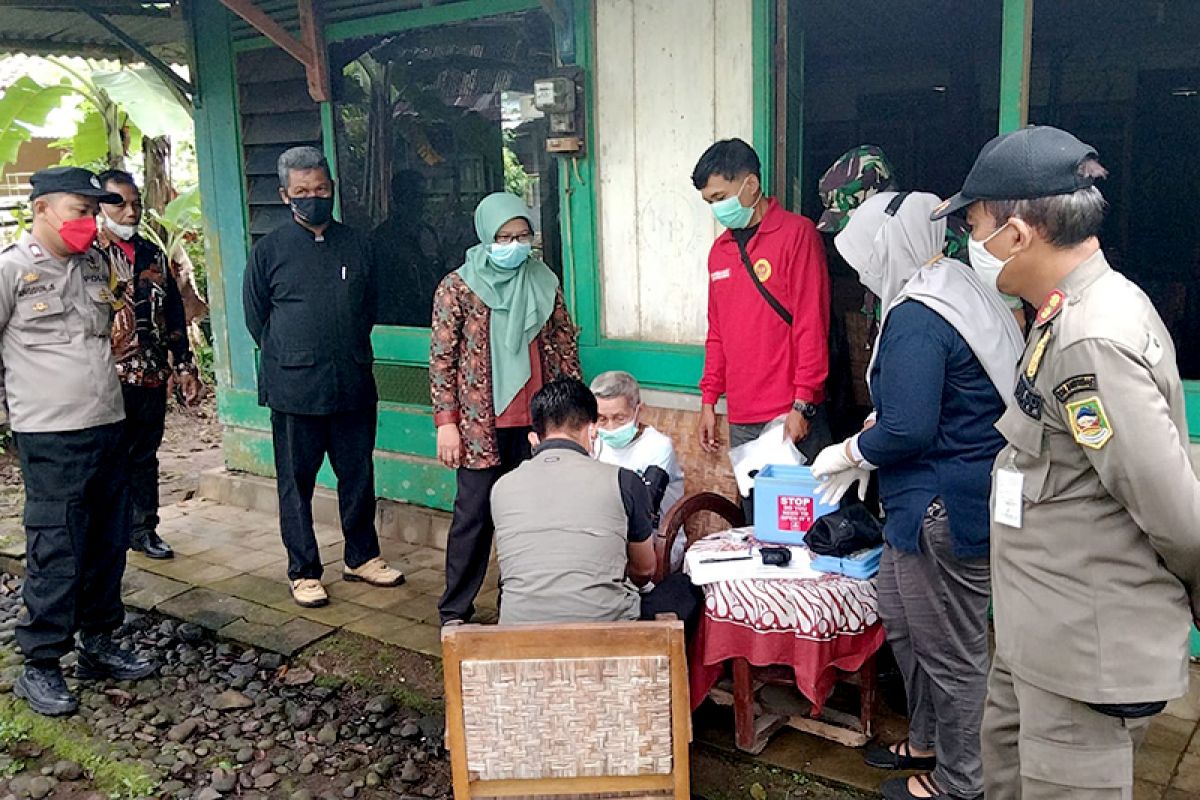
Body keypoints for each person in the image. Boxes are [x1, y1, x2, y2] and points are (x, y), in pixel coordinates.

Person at [931, 126, 1200, 800]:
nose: (971, 241)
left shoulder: (1090, 339)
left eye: (975, 224)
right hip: (1040, 635)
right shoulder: (1060, 315)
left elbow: (1175, 513)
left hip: (1084, 650)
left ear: (1018, 234)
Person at [812, 191, 1023, 800]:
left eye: (860, 256)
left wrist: (849, 452)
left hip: (944, 508)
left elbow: (907, 426)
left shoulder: (917, 317)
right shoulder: (944, 283)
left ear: (887, 247)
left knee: (953, 653)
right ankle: (927, 737)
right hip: (922, 503)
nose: (857, 271)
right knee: (904, 624)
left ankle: (963, 782)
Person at [2, 166, 157, 716]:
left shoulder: (95, 266)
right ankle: (40, 664)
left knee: (107, 541)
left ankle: (100, 642)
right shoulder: (12, 271)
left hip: (106, 424)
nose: (89, 221)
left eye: (94, 212)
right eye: (79, 210)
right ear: (41, 208)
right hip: (49, 434)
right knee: (57, 545)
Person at [243, 146, 404, 609]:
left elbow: (368, 305)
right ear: (284, 195)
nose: (312, 198)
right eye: (302, 192)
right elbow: (258, 318)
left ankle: (362, 556)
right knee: (297, 483)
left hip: (351, 380)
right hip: (294, 387)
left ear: (331, 189)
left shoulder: (357, 244)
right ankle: (303, 569)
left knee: (358, 474)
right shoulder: (269, 250)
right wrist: (294, 351)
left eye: (320, 189)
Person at [430, 192, 580, 626]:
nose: (514, 245)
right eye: (503, 237)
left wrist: (573, 420)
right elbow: (441, 359)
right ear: (485, 236)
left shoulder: (544, 280)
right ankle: (455, 610)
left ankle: (518, 607)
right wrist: (447, 424)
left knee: (533, 517)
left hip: (539, 422)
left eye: (521, 235)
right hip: (480, 424)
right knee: (473, 518)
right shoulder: (457, 287)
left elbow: (565, 348)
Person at [692, 139, 832, 512]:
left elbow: (810, 323)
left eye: (720, 196)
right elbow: (717, 332)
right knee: (758, 519)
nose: (716, 208)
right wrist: (709, 400)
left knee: (802, 520)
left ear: (750, 184)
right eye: (709, 202)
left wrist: (803, 403)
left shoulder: (796, 234)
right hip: (742, 414)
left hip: (790, 413)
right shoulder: (719, 252)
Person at [491, 378, 701, 626]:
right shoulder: (624, 480)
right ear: (592, 430)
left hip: (518, 631)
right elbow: (644, 570)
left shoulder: (501, 487)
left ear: (533, 439)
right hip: (605, 630)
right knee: (685, 587)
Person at [97, 169, 203, 561]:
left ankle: (144, 529)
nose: (130, 212)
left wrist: (184, 364)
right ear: (98, 206)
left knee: (145, 455)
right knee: (108, 457)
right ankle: (109, 532)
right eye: (119, 203)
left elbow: (174, 310)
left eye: (136, 204)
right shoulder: (88, 255)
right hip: (104, 379)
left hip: (151, 374)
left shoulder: (151, 253)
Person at [590, 370, 686, 567]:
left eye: (619, 418)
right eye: (601, 419)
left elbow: (644, 510)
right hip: (604, 540)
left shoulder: (658, 447)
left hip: (653, 543)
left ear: (639, 411)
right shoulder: (593, 442)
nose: (610, 427)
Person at [369, 169, 446, 327]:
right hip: (395, 324)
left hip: (431, 316)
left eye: (423, 196)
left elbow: (438, 274)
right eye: (413, 196)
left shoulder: (427, 233)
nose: (420, 202)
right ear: (399, 199)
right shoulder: (381, 238)